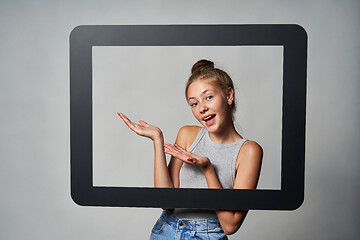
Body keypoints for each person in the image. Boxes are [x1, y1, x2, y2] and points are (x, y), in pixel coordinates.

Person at [117, 59, 263, 239]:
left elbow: (230, 226)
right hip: (167, 230)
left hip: (208, 235)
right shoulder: (187, 134)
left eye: (209, 97)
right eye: (194, 103)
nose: (202, 108)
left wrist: (208, 169)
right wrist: (157, 139)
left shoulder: (248, 151)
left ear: (229, 95)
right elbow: (165, 202)